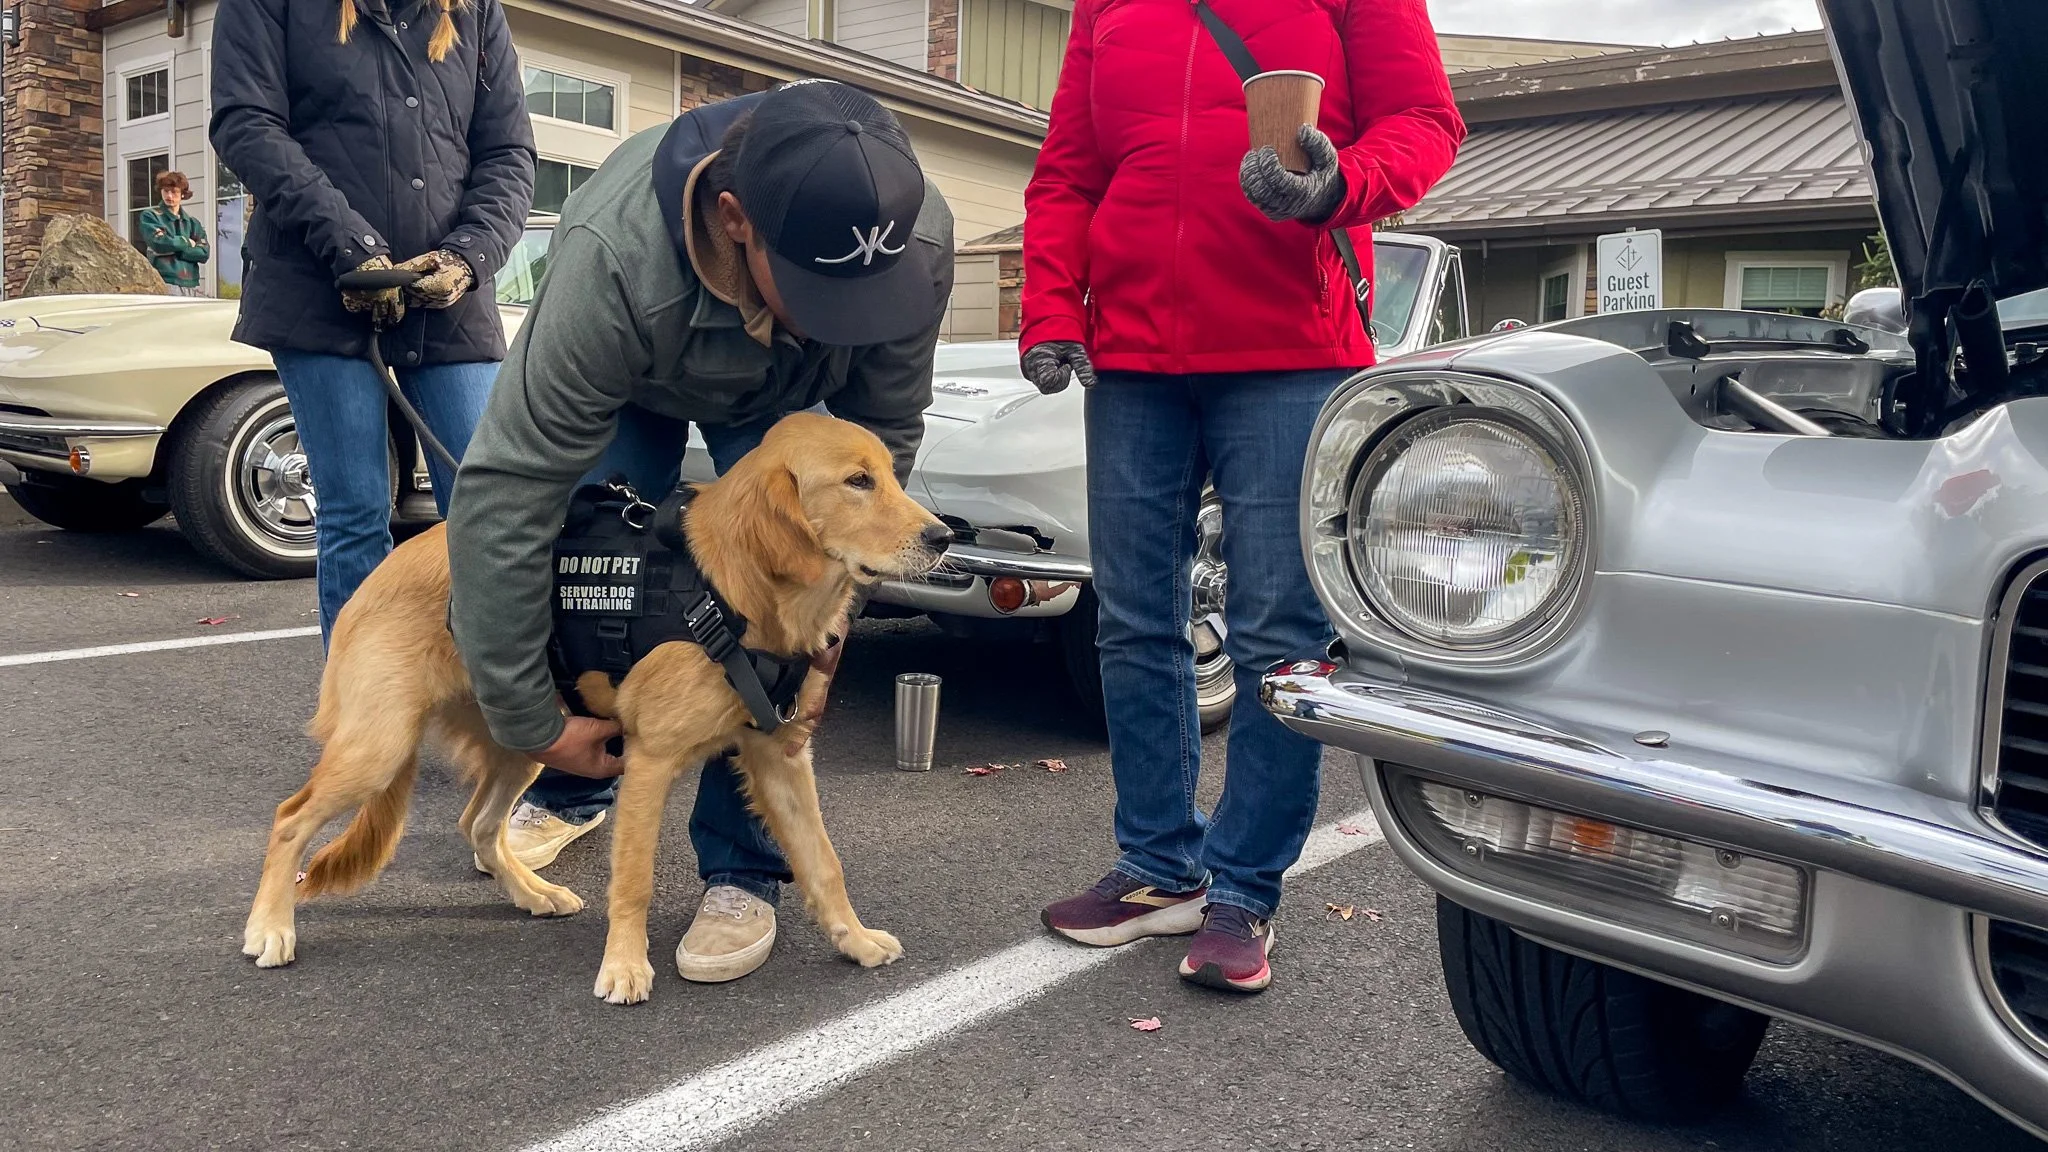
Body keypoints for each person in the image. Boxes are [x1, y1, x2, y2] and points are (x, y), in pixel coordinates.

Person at [445, 79, 954, 984]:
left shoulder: (916, 237)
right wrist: (527, 720)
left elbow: (888, 443)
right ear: (734, 219)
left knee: (767, 651)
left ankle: (740, 874)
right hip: (636, 381)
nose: (846, 316)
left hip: (792, 405)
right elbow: (508, 495)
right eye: (818, 290)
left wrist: (826, 635)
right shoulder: (612, 261)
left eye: (864, 295)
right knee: (599, 581)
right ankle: (572, 780)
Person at [1024, 0, 1464, 993]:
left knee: (1277, 631)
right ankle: (1154, 868)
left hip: (1291, 354)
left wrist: (1339, 181)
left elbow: (1423, 123)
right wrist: (1052, 304)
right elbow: (1067, 173)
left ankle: (1243, 892)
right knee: (1132, 620)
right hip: (1132, 354)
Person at [209, 0, 535, 641]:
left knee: (485, 516)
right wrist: (351, 246)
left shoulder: (473, 11)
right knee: (355, 515)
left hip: (451, 306)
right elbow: (247, 124)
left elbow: (510, 154)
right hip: (318, 291)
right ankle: (365, 729)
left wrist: (467, 257)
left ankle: (504, 717)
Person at [139, 170, 209, 296]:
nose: (169, 196)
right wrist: (186, 242)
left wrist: (174, 247)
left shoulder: (193, 223)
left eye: (174, 192)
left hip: (191, 284)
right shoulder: (151, 216)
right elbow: (158, 243)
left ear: (182, 194)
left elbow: (204, 253)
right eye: (166, 191)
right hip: (163, 280)